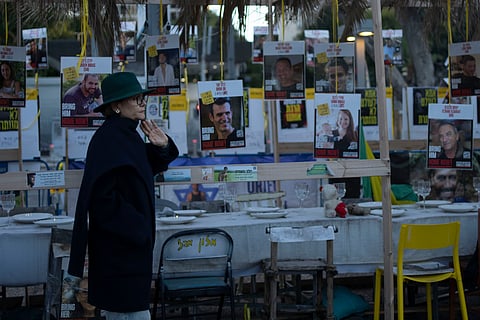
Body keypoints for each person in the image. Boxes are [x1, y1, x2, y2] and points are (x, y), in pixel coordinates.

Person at [68, 72, 179, 320]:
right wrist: (138, 227)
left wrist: (162, 146)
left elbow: (144, 167)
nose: (142, 102)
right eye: (135, 98)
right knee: (129, 313)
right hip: (120, 251)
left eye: (141, 97)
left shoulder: (126, 135)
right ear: (116, 106)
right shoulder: (109, 139)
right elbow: (101, 200)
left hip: (128, 249)